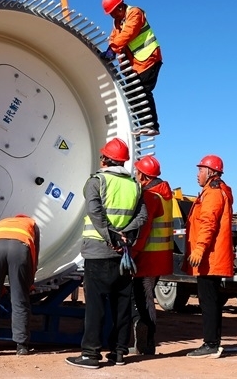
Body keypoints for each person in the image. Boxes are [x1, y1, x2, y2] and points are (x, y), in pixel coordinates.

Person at [65, 138, 148, 369]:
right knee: (121, 305)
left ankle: (91, 354)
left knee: (95, 306)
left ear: (104, 159)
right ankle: (119, 352)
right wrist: (125, 236)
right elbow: (142, 216)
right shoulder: (135, 184)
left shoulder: (96, 181)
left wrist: (110, 235)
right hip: (123, 254)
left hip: (98, 252)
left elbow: (94, 211)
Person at [184, 154, 234, 359]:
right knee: (211, 300)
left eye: (200, 170)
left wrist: (199, 249)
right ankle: (212, 342)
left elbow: (208, 224)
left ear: (211, 172)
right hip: (212, 257)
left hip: (209, 258)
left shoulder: (212, 194)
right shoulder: (216, 190)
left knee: (208, 301)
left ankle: (211, 344)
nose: (197, 174)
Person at [0, 214, 41, 357]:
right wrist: (29, 282)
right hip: (19, 249)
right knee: (19, 299)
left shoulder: (0, 223)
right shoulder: (31, 224)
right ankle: (21, 346)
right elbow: (34, 255)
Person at [129, 155, 173, 356]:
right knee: (146, 298)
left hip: (147, 257)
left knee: (142, 299)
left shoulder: (150, 196)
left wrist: (133, 252)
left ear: (144, 176)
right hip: (160, 257)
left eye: (137, 172)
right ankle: (147, 343)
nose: (135, 175)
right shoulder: (165, 194)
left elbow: (144, 229)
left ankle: (145, 344)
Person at [101, 0, 162, 136]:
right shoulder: (118, 22)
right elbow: (114, 37)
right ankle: (142, 125)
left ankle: (151, 125)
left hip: (148, 58)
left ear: (120, 7)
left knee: (143, 90)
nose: (111, 16)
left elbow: (129, 32)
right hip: (134, 64)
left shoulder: (135, 13)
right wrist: (111, 49)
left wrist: (113, 49)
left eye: (112, 12)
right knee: (131, 93)